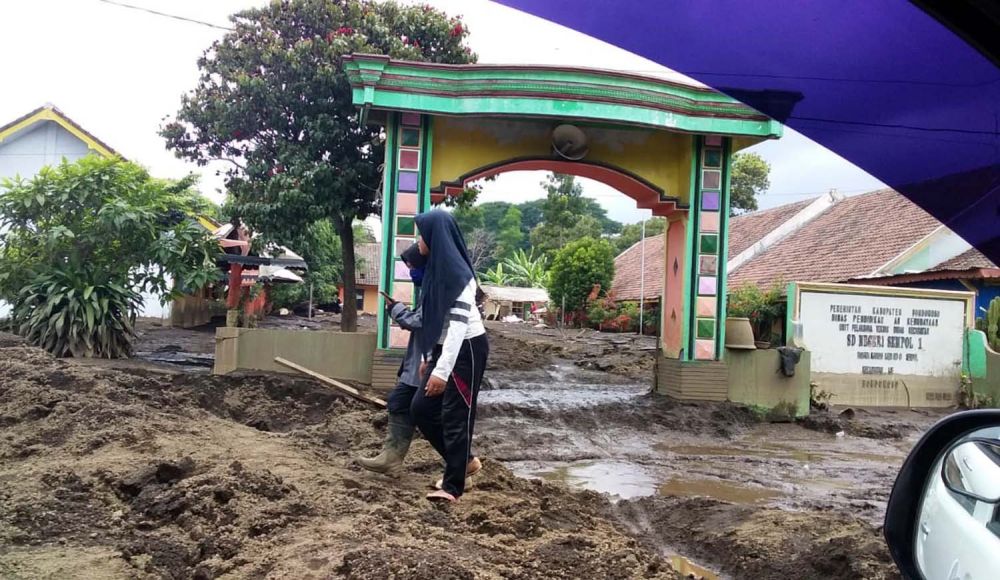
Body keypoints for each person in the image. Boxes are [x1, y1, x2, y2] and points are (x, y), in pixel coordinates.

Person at [410, 209, 489, 503]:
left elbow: (456, 326)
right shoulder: (437, 272)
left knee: (456, 415)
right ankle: (465, 462)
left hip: (466, 348)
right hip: (445, 348)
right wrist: (429, 358)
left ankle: (453, 486)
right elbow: (435, 321)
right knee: (421, 408)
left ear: (436, 237)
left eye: (422, 234)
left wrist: (441, 372)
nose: (419, 240)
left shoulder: (459, 276)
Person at [355, 243, 426, 475]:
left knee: (434, 418)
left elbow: (418, 321)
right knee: (399, 402)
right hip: (418, 364)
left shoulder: (437, 288)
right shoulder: (428, 287)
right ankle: (391, 458)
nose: (411, 272)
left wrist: (395, 309)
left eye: (413, 266)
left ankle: (464, 465)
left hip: (430, 364)